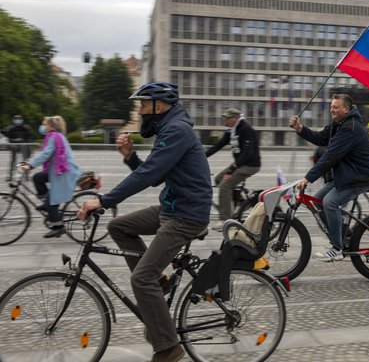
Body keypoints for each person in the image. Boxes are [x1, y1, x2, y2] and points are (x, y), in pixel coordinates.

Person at [77, 82, 212, 362]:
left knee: (141, 279)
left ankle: (168, 347)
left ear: (158, 106)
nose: (140, 110)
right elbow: (157, 174)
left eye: (143, 104)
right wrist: (130, 157)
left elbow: (148, 175)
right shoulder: (170, 127)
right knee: (119, 227)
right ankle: (159, 282)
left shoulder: (176, 130)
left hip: (187, 215)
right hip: (171, 207)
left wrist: (103, 200)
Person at [289, 93, 369, 262]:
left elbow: (331, 155)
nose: (332, 110)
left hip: (361, 176)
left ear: (346, 109)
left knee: (330, 203)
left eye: (336, 107)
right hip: (347, 174)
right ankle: (345, 233)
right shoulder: (338, 124)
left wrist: (308, 178)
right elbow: (320, 138)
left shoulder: (350, 127)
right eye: (331, 107)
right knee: (318, 201)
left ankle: (337, 247)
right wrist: (300, 128)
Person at [21, 116, 80, 238]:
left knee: (51, 202)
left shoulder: (55, 137)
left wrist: (30, 165)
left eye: (45, 124)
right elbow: (45, 154)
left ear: (51, 126)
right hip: (58, 171)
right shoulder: (53, 136)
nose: (43, 127)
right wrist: (29, 163)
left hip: (64, 173)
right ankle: (47, 204)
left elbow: (46, 154)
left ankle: (58, 227)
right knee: (38, 177)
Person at [205, 108, 261, 231]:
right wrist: (202, 156)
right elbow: (218, 145)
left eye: (228, 118)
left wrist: (231, 170)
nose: (226, 120)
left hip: (251, 165)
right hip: (240, 164)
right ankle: (240, 201)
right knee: (218, 178)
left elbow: (248, 153)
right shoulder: (231, 131)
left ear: (235, 118)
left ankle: (225, 220)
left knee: (225, 186)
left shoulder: (246, 130)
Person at [5, 114, 33, 181]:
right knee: (13, 161)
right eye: (16, 119)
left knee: (25, 161)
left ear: (22, 120)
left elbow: (30, 136)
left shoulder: (25, 128)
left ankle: (26, 176)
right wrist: (12, 142)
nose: (18, 121)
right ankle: (10, 176)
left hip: (24, 145)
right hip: (14, 145)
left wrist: (26, 142)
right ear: (14, 120)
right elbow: (9, 138)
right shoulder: (11, 128)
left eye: (19, 119)